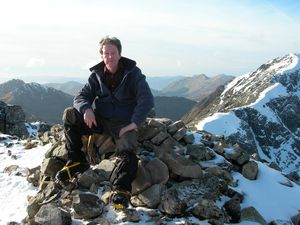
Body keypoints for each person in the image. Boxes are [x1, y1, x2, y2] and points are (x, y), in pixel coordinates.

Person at [56, 36, 154, 209]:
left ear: (120, 53)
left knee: (127, 151)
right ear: (101, 55)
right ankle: (77, 161)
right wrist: (86, 109)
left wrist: (134, 124)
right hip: (100, 120)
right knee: (70, 114)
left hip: (124, 123)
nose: (109, 57)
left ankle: (121, 190)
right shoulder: (97, 75)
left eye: (113, 53)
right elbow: (81, 96)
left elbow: (146, 99)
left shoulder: (133, 74)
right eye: (105, 53)